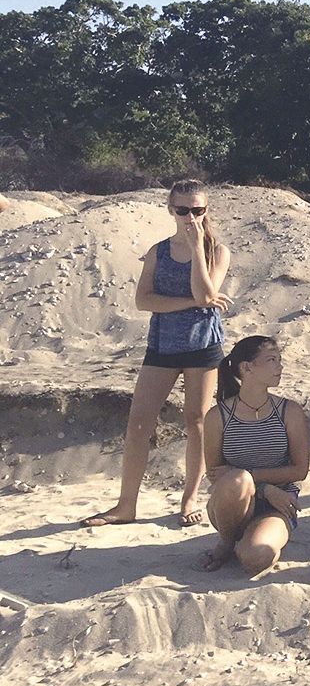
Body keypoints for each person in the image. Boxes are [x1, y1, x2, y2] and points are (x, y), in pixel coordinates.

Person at [82, 180, 232, 528]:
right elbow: (143, 300)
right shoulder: (158, 251)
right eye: (183, 210)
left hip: (202, 344)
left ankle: (190, 498)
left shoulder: (217, 251)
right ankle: (126, 505)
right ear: (170, 209)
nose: (191, 217)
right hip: (162, 345)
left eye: (198, 210)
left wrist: (197, 250)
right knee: (139, 422)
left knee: (196, 421)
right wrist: (190, 303)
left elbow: (207, 292)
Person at [197, 336, 309, 576]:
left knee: (256, 557)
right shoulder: (218, 416)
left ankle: (249, 541)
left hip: (278, 505)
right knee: (237, 480)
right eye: (271, 360)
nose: (280, 367)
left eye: (280, 360)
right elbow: (216, 474)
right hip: (231, 505)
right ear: (246, 367)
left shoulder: (289, 411)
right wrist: (263, 488)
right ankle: (227, 541)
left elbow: (300, 470)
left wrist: (255, 481)